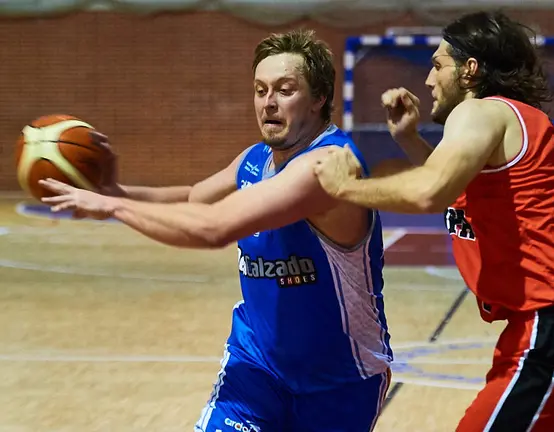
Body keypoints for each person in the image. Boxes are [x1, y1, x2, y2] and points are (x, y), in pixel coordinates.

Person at [39, 29, 393, 432]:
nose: (268, 103)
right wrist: (114, 191)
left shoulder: (328, 167)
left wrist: (114, 206)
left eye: (285, 90)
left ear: (320, 98)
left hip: (341, 382)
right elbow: (194, 198)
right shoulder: (255, 158)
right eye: (260, 90)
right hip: (256, 369)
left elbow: (213, 228)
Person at [314, 11, 554, 432]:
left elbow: (429, 191)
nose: (427, 79)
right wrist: (409, 139)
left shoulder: (481, 112)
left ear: (470, 69)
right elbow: (461, 196)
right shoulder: (518, 120)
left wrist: (343, 188)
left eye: (438, 65)